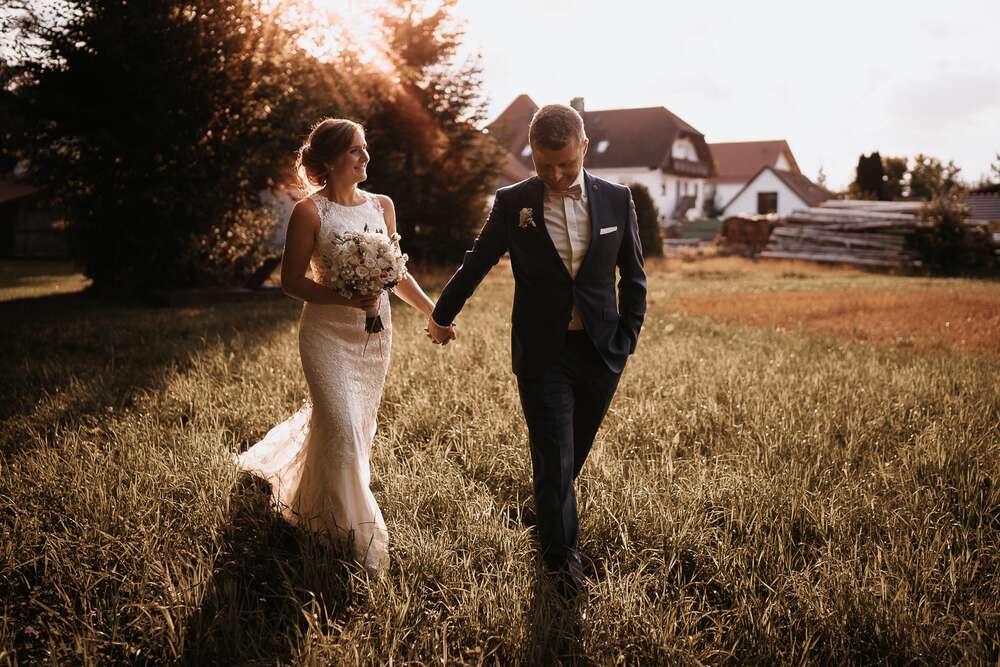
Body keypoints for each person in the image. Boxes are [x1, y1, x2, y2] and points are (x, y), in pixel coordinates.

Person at [427, 103, 647, 595]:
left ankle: (546, 518)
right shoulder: (514, 202)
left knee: (571, 458)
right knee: (553, 456)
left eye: (565, 164)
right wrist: (442, 315)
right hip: (541, 352)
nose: (554, 174)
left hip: (600, 351)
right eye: (543, 164)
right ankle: (559, 564)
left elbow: (634, 277)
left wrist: (626, 339)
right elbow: (478, 260)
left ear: (584, 148)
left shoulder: (617, 200)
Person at [237, 118, 448, 573]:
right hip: (326, 335)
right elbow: (291, 282)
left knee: (355, 428)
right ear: (331, 160)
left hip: (373, 335)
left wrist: (433, 313)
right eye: (355, 151)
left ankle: (319, 509)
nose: (366, 157)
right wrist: (345, 297)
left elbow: (397, 274)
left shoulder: (383, 205)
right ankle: (351, 536)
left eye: (365, 149)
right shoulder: (310, 213)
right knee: (340, 427)